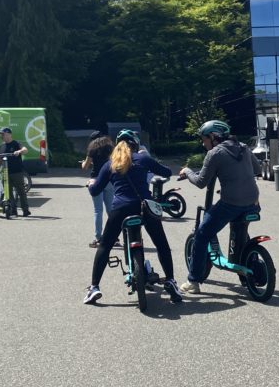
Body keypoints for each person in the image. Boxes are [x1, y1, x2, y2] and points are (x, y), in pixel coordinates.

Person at [84, 130, 181, 304]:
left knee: (105, 245)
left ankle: (94, 288)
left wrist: (90, 183)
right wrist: (152, 163)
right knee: (161, 245)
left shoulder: (110, 164)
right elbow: (166, 172)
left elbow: (95, 190)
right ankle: (171, 281)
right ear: (135, 145)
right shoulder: (142, 158)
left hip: (120, 209)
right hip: (145, 207)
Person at [178, 120, 262, 294]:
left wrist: (187, 172)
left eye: (204, 139)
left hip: (231, 204)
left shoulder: (215, 153)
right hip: (253, 202)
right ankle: (247, 261)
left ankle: (193, 281)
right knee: (240, 228)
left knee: (201, 235)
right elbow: (257, 169)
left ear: (213, 137)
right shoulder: (244, 147)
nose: (203, 143)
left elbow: (201, 182)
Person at [81, 130, 114, 248]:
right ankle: (114, 236)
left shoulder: (92, 149)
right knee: (111, 209)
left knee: (98, 210)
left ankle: (98, 237)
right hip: (109, 180)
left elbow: (85, 166)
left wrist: (83, 163)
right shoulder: (110, 147)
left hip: (96, 179)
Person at [0, 127, 30, 217]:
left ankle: (25, 210)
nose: (1, 136)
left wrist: (19, 151)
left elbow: (25, 150)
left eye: (3, 134)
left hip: (17, 172)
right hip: (5, 173)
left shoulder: (16, 143)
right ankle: (13, 210)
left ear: (9, 134)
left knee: (21, 191)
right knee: (8, 193)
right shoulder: (1, 146)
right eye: (1, 134)